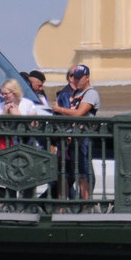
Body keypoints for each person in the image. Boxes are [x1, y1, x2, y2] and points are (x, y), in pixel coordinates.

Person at [50, 64, 100, 200]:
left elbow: (79, 113)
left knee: (83, 173)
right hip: (70, 138)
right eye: (75, 78)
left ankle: (85, 205)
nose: (76, 81)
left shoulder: (91, 93)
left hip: (83, 138)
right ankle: (63, 205)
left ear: (87, 78)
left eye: (79, 78)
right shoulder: (74, 93)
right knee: (64, 172)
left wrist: (59, 109)